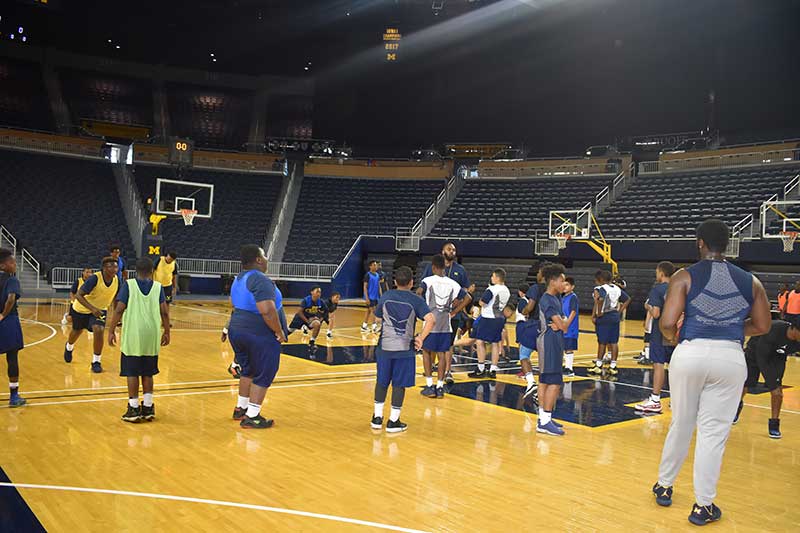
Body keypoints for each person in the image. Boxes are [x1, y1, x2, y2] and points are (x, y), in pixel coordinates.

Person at [652, 219, 770, 526]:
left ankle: (664, 486)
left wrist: (672, 337)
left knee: (682, 422)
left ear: (700, 243)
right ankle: (703, 506)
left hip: (690, 352)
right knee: (713, 434)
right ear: (728, 244)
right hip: (730, 357)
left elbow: (666, 322)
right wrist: (729, 328)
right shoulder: (751, 281)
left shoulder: (684, 276)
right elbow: (762, 326)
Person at [227, 245, 288, 429]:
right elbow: (268, 311)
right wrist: (278, 331)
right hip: (257, 330)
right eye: (265, 256)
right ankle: (253, 416)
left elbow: (235, 303)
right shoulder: (259, 279)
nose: (267, 259)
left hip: (237, 327)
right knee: (266, 370)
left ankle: (241, 408)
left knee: (248, 370)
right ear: (259, 260)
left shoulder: (239, 278)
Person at [371, 266, 434, 433]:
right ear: (412, 283)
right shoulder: (416, 300)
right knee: (399, 384)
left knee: (382, 382)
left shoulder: (386, 296)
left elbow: (377, 318)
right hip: (404, 350)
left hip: (384, 348)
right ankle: (393, 421)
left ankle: (377, 418)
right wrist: (420, 338)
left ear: (394, 281)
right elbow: (431, 319)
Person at [106, 257, 170, 423]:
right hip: (152, 333)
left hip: (134, 333)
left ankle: (133, 408)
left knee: (132, 371)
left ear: (136, 271)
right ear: (151, 272)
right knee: (148, 371)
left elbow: (119, 309)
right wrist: (167, 332)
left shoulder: (129, 285)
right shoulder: (158, 287)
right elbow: (164, 312)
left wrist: (111, 330)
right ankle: (148, 407)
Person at [418, 242, 471, 384]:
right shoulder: (430, 268)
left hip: (451, 315)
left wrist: (456, 307)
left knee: (448, 345)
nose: (452, 251)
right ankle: (434, 371)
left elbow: (466, 291)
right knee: (435, 346)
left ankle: (447, 372)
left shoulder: (460, 269)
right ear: (443, 251)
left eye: (454, 250)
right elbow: (422, 288)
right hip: (433, 314)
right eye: (449, 249)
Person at [736, 318, 800, 438]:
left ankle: (774, 424)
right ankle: (736, 407)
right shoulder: (774, 330)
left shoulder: (797, 340)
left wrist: (774, 383)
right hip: (755, 354)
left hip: (777, 357)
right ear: (794, 329)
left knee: (777, 393)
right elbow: (762, 358)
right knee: (746, 385)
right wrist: (771, 381)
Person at [64, 256, 119, 373]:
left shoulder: (117, 280)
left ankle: (96, 361)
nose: (114, 269)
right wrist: (92, 309)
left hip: (100, 309)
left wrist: (116, 312)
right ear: (104, 268)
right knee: (76, 332)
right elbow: (78, 295)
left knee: (99, 330)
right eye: (111, 266)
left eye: (116, 266)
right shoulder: (94, 279)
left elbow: (116, 298)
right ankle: (69, 346)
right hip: (81, 309)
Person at [635, 261, 676, 414]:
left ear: (661, 272)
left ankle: (655, 399)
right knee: (675, 366)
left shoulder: (658, 289)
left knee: (658, 364)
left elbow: (656, 314)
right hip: (676, 332)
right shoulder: (679, 287)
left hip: (661, 332)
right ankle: (676, 399)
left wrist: (649, 307)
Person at [537, 263, 569, 436]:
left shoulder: (555, 298)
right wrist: (570, 316)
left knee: (545, 381)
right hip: (549, 342)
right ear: (552, 281)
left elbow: (560, 323)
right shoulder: (548, 299)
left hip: (552, 341)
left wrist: (561, 323)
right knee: (554, 381)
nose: (564, 284)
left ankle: (543, 417)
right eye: (561, 281)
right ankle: (545, 421)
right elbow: (563, 325)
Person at [467, 268, 510, 379]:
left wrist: (482, 302)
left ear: (496, 277)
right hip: (500, 318)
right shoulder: (507, 290)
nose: (491, 278)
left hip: (488, 318)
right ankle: (493, 369)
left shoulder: (492, 289)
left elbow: (482, 302)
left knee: (480, 341)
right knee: (495, 343)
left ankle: (481, 368)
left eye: (492, 276)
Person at [588, 270, 630, 375]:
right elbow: (627, 299)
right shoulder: (616, 288)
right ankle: (613, 366)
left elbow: (600, 300)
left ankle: (598, 364)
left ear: (600, 280)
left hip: (604, 317)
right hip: (614, 316)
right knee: (614, 342)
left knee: (602, 342)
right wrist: (619, 311)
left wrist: (598, 313)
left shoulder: (600, 289)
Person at [0, 249, 25, 407]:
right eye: (11, 262)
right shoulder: (11, 279)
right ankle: (14, 397)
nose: (15, 265)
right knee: (12, 358)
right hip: (8, 320)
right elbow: (11, 299)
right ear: (2, 265)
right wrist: (3, 315)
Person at [515, 284, 538, 400]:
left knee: (523, 354)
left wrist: (526, 311)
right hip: (545, 328)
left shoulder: (527, 299)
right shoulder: (555, 293)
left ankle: (530, 380)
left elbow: (526, 310)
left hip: (528, 326)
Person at [561, 276, 579, 376]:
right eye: (563, 284)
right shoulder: (563, 297)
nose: (564, 286)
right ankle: (566, 366)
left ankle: (569, 368)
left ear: (572, 287)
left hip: (570, 327)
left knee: (569, 347)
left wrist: (567, 324)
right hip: (563, 325)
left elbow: (573, 312)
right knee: (564, 346)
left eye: (567, 285)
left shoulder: (573, 297)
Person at [362, 261, 382, 333]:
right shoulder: (367, 275)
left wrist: (381, 295)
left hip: (376, 297)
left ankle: (364, 326)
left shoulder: (377, 275)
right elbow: (365, 287)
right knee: (374, 311)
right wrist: (366, 297)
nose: (376, 266)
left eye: (376, 265)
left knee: (368, 311)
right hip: (370, 296)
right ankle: (374, 327)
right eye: (374, 265)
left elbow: (379, 286)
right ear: (370, 266)